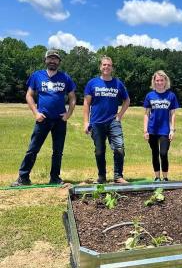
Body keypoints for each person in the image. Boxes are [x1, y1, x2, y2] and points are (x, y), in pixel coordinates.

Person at [11, 49, 76, 186]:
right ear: (45, 60)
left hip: (59, 120)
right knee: (33, 149)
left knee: (58, 151)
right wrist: (35, 113)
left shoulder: (65, 78)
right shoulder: (37, 76)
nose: (52, 61)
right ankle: (23, 178)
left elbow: (72, 98)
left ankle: (55, 178)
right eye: (50, 58)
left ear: (59, 62)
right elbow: (29, 95)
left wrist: (68, 114)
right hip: (43, 119)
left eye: (55, 59)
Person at [83, 56, 130, 184]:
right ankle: (102, 177)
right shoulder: (92, 83)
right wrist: (86, 122)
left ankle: (118, 176)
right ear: (100, 67)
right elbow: (86, 103)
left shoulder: (118, 83)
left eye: (109, 65)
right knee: (99, 151)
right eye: (104, 65)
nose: (106, 67)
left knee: (119, 148)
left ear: (112, 67)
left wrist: (119, 115)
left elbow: (127, 100)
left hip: (113, 121)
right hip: (96, 122)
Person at [143, 70, 179, 182]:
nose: (159, 82)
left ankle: (165, 177)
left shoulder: (171, 96)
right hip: (152, 129)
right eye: (157, 80)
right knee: (154, 153)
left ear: (165, 81)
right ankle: (157, 177)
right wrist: (145, 130)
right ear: (154, 81)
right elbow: (146, 114)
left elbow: (172, 114)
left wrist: (172, 130)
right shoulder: (150, 95)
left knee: (163, 153)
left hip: (165, 130)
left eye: (161, 80)